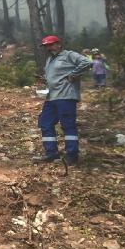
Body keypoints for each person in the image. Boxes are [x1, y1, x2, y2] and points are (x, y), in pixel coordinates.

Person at [33, 35, 92, 165]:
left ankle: (72, 155)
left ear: (59, 44)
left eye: (51, 45)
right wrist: (43, 80)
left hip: (66, 95)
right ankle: (51, 153)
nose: (49, 48)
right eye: (46, 46)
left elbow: (87, 62)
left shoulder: (68, 55)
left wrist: (73, 74)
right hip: (51, 97)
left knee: (68, 125)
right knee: (45, 122)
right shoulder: (50, 60)